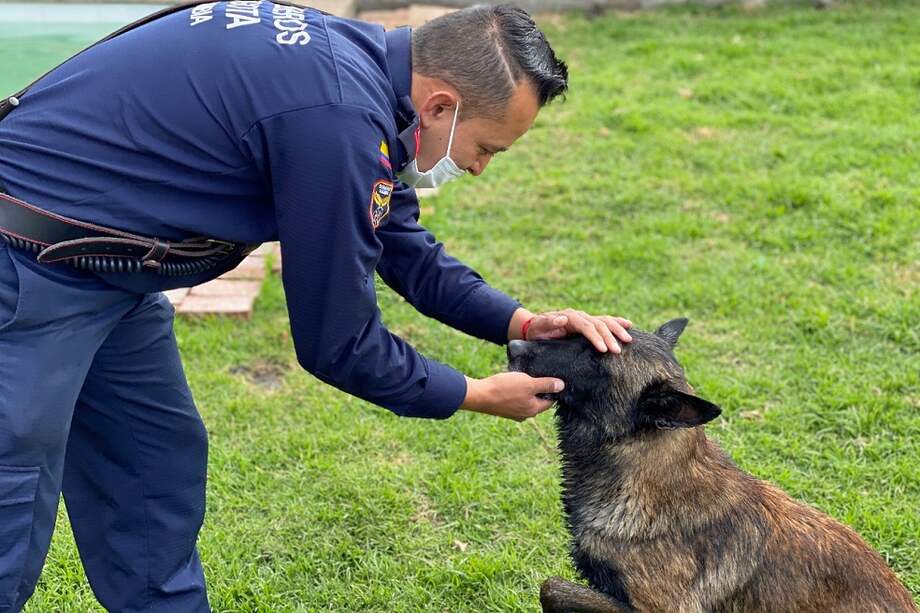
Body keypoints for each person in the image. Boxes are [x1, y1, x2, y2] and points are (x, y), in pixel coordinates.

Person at [0, 3, 632, 611]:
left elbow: (400, 242)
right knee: (13, 498)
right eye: (488, 147)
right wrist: (472, 393)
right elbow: (340, 342)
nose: (482, 168)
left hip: (109, 269)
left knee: (150, 461)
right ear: (441, 105)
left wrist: (520, 322)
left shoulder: (360, 75)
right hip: (25, 264)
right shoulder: (334, 116)